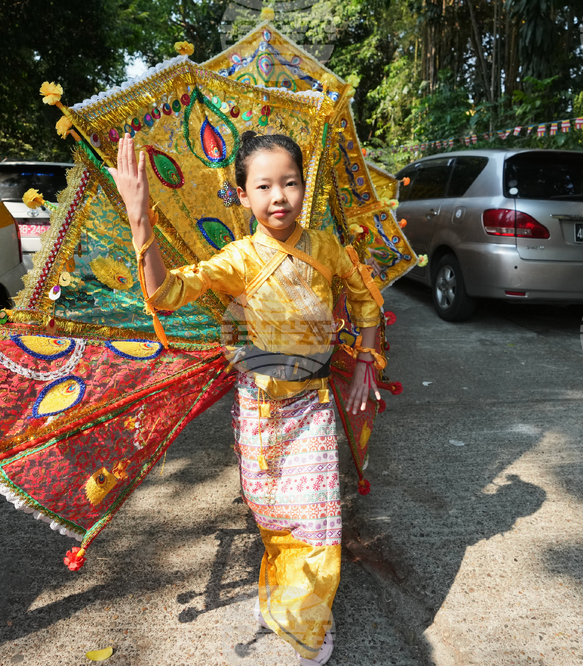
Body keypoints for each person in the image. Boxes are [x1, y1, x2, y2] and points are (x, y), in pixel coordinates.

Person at [109, 130, 384, 665]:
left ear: (305, 189)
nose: (278, 196)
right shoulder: (235, 260)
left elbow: (365, 302)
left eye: (290, 183)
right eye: (264, 186)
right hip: (259, 412)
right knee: (275, 519)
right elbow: (165, 295)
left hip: (312, 408)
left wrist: (366, 361)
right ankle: (284, 597)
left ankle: (307, 625)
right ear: (242, 195)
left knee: (317, 523)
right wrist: (140, 215)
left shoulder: (327, 248)